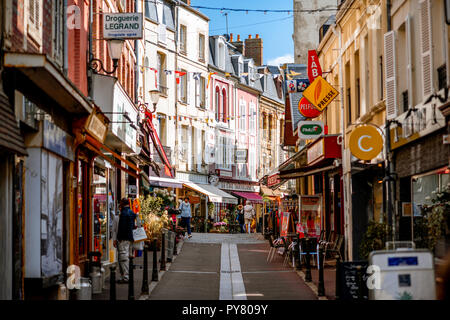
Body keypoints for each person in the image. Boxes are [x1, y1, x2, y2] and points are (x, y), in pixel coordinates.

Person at [112, 198, 136, 283]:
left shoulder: (123, 214)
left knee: (123, 257)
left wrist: (118, 238)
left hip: (123, 239)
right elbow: (134, 225)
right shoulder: (131, 212)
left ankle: (126, 277)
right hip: (130, 238)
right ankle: (125, 275)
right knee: (126, 257)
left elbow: (119, 228)